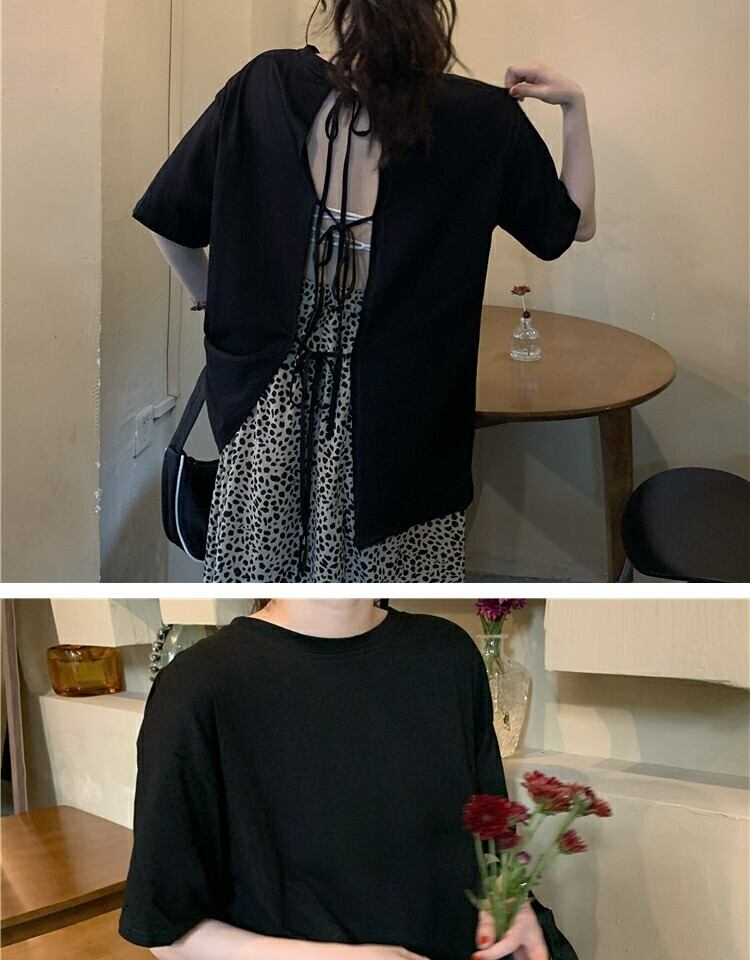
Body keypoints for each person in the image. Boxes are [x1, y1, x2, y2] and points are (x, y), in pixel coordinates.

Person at [133, 9, 595, 586]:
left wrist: (223, 306)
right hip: (398, 417)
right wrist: (573, 106)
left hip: (267, 403)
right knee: (379, 601)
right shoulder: (479, 119)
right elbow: (571, 226)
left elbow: (168, 221)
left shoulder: (265, 85)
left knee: (270, 597)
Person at [118, 599, 578, 960]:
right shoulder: (198, 687)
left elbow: (490, 844)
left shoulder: (448, 655)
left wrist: (511, 905)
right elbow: (165, 931)